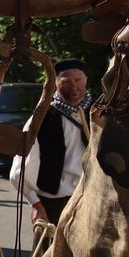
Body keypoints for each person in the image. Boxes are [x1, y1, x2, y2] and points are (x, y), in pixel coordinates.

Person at [9, 59, 90, 224]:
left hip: (89, 202)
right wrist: (36, 204)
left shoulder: (98, 115)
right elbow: (20, 169)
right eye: (66, 81)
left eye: (78, 80)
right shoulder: (42, 118)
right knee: (49, 250)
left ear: (86, 80)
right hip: (53, 205)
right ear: (55, 84)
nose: (73, 86)